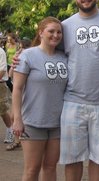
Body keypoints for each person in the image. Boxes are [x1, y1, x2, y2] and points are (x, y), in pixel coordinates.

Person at [59, 0, 99, 181]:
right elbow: (49, 52)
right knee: (72, 158)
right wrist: (22, 57)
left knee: (98, 159)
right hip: (73, 101)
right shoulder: (65, 26)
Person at [12, 17, 68, 181]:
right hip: (33, 122)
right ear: (41, 32)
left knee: (50, 167)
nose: (55, 35)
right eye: (51, 31)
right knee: (32, 169)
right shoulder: (27, 55)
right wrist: (17, 119)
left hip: (57, 123)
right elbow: (17, 88)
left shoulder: (64, 57)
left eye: (59, 32)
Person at [0, 45, 13, 145]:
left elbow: (2, 71)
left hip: (0, 85)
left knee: (2, 110)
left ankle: (10, 130)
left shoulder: (1, 52)